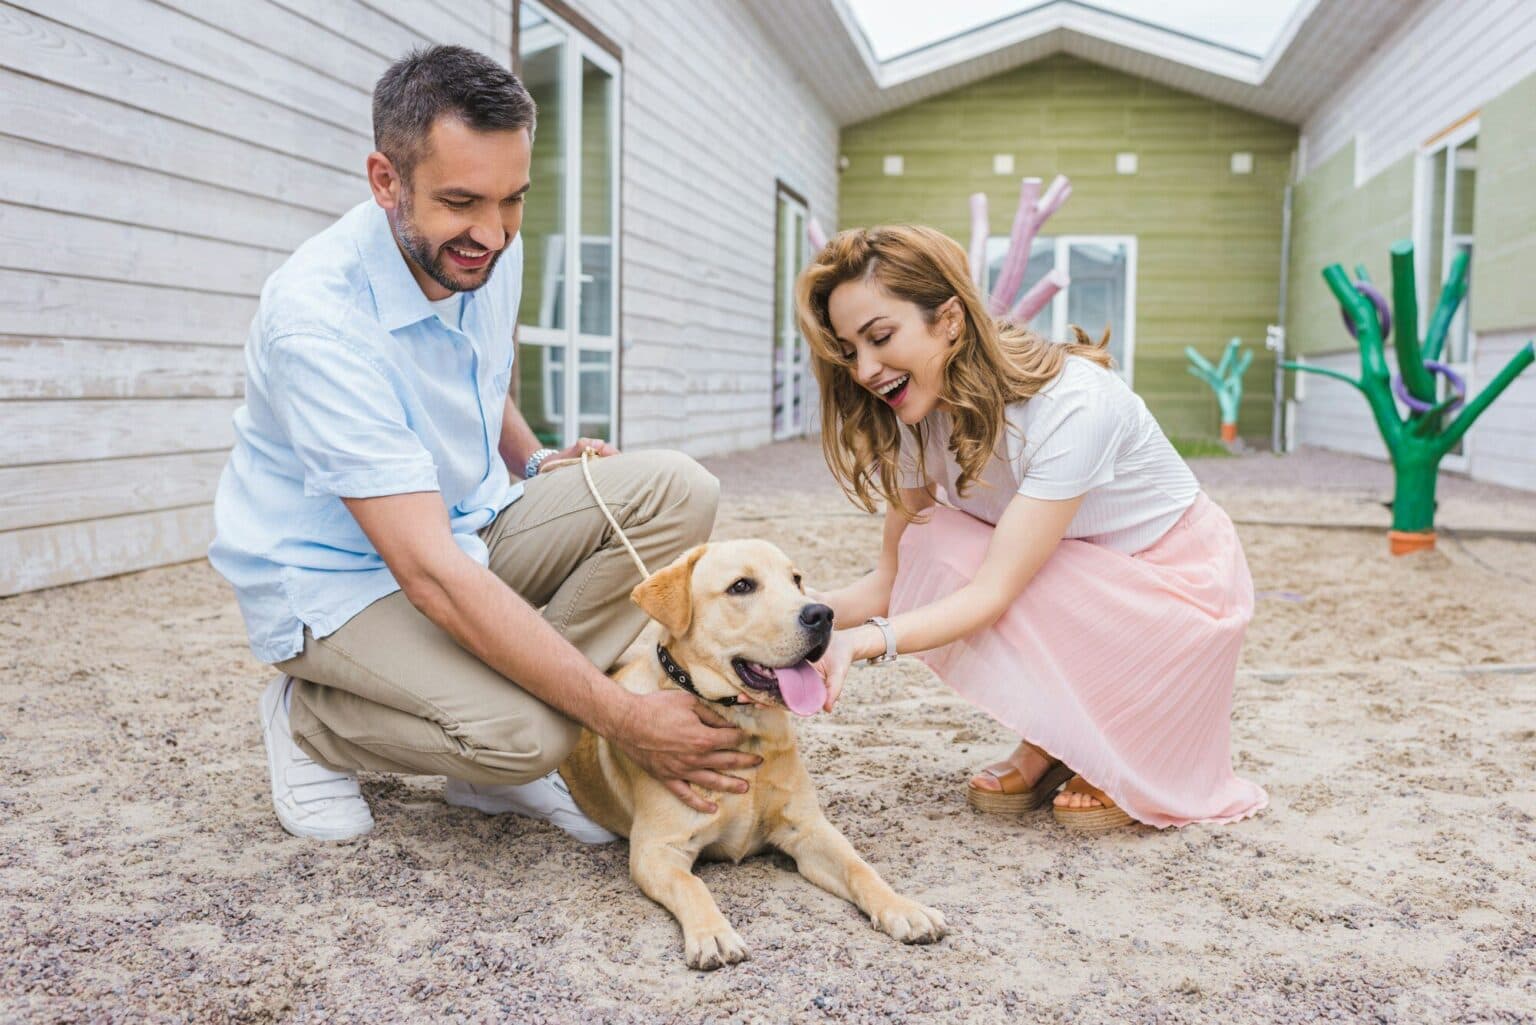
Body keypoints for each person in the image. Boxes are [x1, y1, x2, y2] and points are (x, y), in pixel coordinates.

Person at [209, 45, 756, 844]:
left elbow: (475, 371)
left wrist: (533, 461)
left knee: (680, 489)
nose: (492, 234)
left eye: (512, 201)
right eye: (462, 201)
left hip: (467, 523)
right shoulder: (318, 324)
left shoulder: (485, 245)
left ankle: (488, 722)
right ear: (385, 180)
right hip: (337, 582)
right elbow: (428, 573)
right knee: (536, 736)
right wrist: (626, 718)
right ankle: (310, 722)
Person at [795, 225, 1267, 831]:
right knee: (932, 538)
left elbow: (992, 592)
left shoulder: (1072, 406)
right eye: (849, 350)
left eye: (881, 337)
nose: (864, 370)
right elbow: (894, 577)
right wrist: (798, 615)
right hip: (1083, 584)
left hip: (1178, 601)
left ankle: (1107, 743)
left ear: (950, 320)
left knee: (987, 565)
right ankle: (1056, 738)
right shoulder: (916, 415)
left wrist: (861, 645)